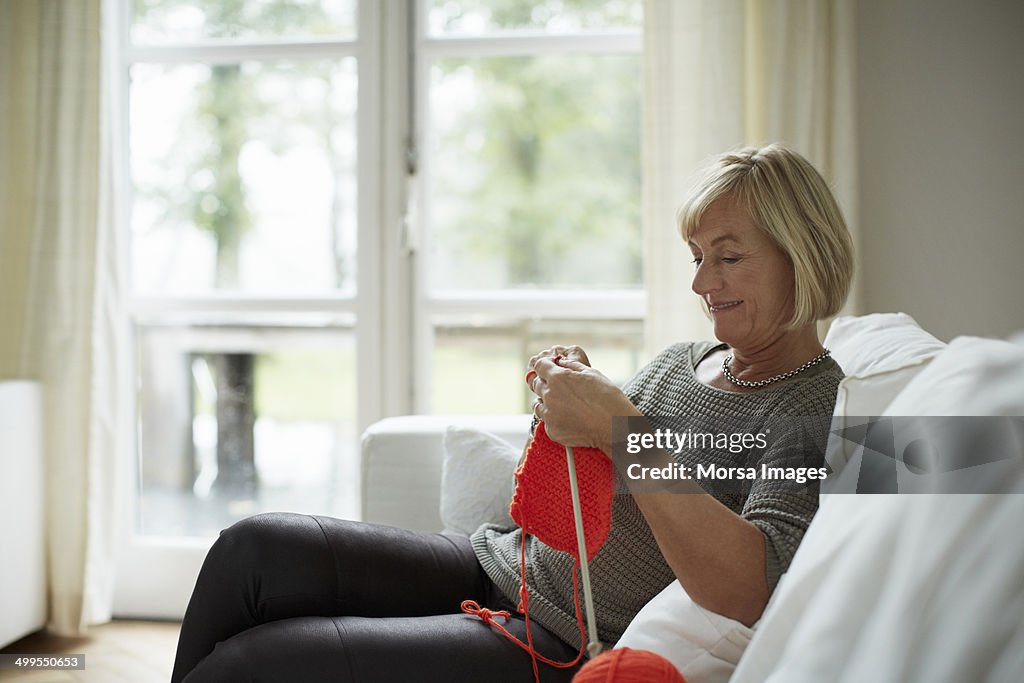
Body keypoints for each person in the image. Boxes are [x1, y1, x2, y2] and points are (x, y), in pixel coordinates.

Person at [170, 143, 854, 682]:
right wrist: (570, 398)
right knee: (251, 551)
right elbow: (587, 460)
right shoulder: (685, 358)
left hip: (556, 641)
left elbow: (748, 585)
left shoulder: (813, 402)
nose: (704, 283)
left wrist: (619, 425)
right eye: (699, 258)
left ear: (803, 255)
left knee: (257, 665)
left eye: (729, 257)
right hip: (497, 564)